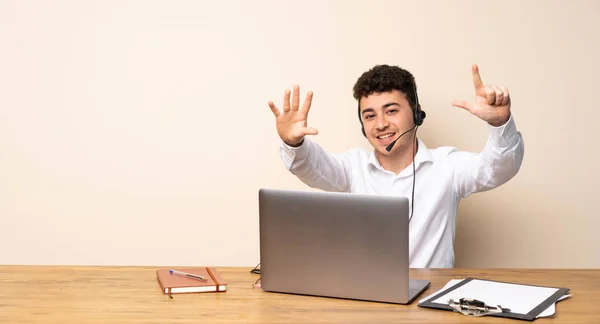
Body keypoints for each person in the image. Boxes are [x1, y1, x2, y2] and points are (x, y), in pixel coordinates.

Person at [267, 64, 524, 268]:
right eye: (369, 115)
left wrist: (500, 124)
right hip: (366, 301)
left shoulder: (447, 166)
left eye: (391, 111)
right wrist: (294, 142)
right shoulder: (351, 168)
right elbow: (311, 166)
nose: (380, 124)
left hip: (431, 303)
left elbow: (500, 167)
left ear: (417, 113)